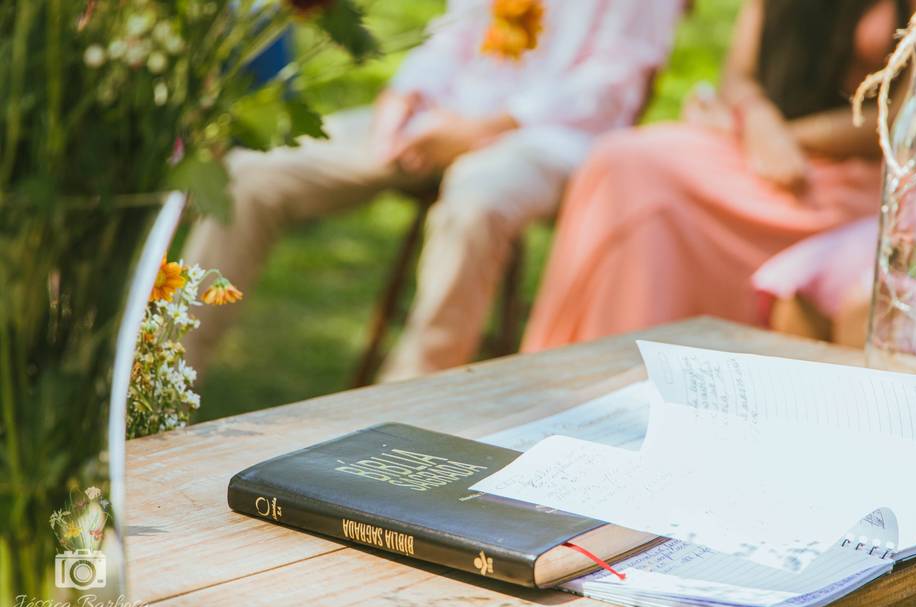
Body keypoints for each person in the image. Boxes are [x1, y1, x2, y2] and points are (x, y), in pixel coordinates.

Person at [183, 0, 686, 381]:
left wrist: (482, 130)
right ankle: (166, 380)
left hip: (554, 135)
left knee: (476, 203)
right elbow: (452, 36)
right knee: (248, 177)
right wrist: (402, 98)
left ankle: (402, 413)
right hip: (443, 114)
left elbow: (612, 82)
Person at [522, 0, 916, 353]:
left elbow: (909, 113)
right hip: (758, 146)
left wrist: (785, 138)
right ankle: (593, 369)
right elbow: (738, 76)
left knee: (650, 183)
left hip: (848, 175)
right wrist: (757, 122)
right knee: (621, 161)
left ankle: (648, 370)